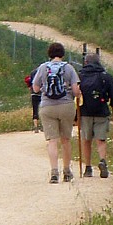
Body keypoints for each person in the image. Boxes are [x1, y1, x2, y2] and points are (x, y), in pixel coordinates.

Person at [33, 43, 81, 183]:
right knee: (66, 140)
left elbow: (35, 88)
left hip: (47, 106)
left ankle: (54, 172)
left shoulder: (43, 68)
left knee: (52, 141)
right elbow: (75, 90)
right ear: (63, 54)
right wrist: (77, 94)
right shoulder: (69, 68)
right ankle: (67, 171)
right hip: (66, 105)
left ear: (49, 54)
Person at [78, 52, 113, 178]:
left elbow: (75, 93)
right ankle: (102, 160)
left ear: (86, 62)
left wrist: (76, 113)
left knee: (86, 139)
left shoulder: (80, 76)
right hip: (101, 111)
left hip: (85, 111)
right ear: (98, 62)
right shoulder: (105, 76)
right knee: (101, 139)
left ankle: (88, 168)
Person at [25, 66, 41, 131]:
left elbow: (29, 82)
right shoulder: (41, 72)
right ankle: (43, 125)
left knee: (35, 109)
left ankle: (36, 126)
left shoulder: (32, 73)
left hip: (33, 93)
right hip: (41, 93)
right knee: (42, 109)